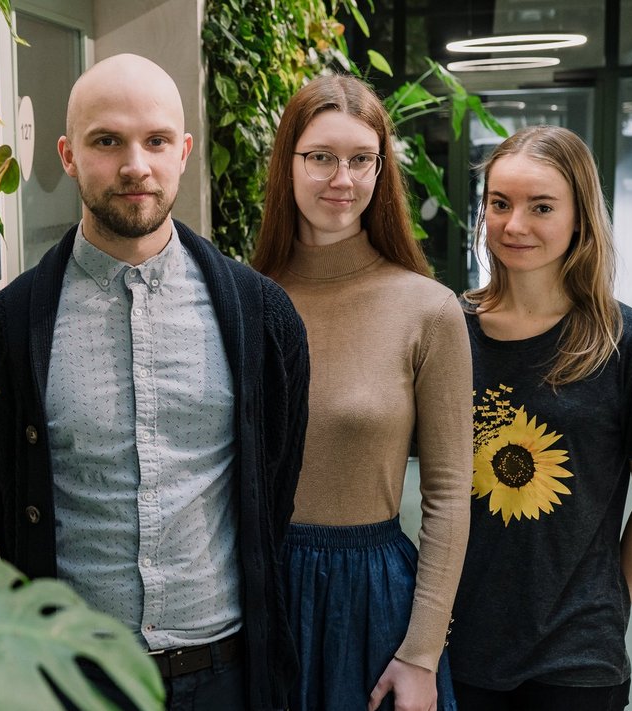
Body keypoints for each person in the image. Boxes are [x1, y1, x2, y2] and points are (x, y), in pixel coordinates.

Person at [0, 53, 310, 711]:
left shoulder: (263, 316)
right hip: (74, 681)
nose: (134, 165)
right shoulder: (3, 332)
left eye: (154, 141)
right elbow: (7, 509)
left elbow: (274, 483)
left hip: (227, 674)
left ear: (184, 150)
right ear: (67, 155)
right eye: (106, 141)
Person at [252, 74, 472, 711]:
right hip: (257, 591)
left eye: (360, 159)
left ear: (382, 170)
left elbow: (449, 494)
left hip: (371, 601)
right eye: (320, 157)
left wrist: (422, 653)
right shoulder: (245, 299)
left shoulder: (427, 310)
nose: (340, 179)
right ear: (287, 163)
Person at [449, 125, 632, 710]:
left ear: (580, 218)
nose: (514, 225)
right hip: (459, 642)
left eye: (542, 207)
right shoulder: (447, 329)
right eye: (499, 204)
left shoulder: (628, 345)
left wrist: (606, 604)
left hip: (577, 659)